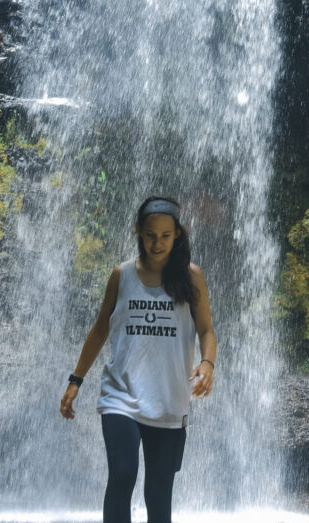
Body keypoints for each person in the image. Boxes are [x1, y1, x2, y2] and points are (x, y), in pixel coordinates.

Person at [60, 196, 217, 523]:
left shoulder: (191, 277)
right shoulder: (122, 275)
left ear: (177, 235)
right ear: (138, 232)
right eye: (150, 234)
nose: (156, 242)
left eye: (164, 235)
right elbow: (101, 329)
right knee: (123, 474)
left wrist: (207, 363)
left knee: (158, 494)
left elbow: (206, 331)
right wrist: (76, 380)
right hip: (121, 395)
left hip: (169, 401)